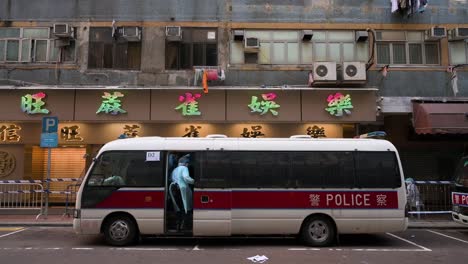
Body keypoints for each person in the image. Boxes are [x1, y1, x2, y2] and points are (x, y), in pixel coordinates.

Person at [171, 154, 194, 230]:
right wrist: (195, 181)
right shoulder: (184, 168)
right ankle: (184, 225)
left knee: (178, 207)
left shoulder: (174, 169)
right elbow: (186, 178)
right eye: (187, 163)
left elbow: (171, 179)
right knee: (185, 207)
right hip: (182, 189)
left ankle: (178, 225)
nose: (187, 165)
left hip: (173, 188)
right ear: (185, 163)